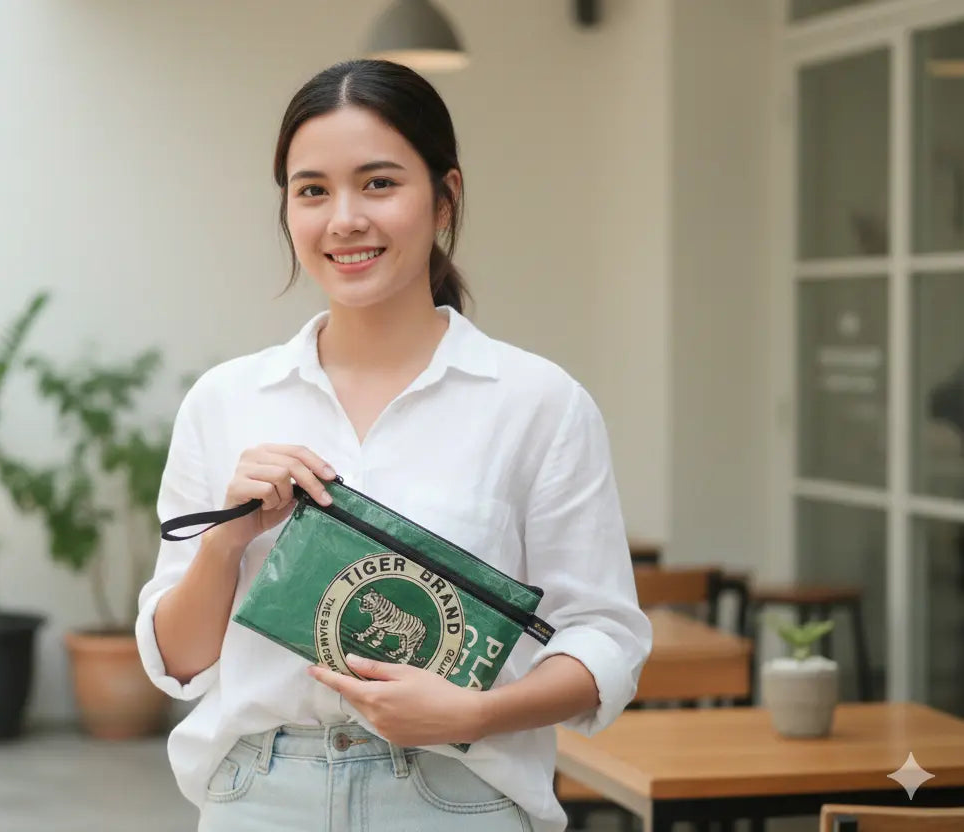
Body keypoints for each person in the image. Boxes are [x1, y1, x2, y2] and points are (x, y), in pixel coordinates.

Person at [135, 58, 652, 832]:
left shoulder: (538, 404)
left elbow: (606, 639)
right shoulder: (226, 402)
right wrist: (225, 540)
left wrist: (473, 712)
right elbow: (177, 663)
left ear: (445, 199)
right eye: (312, 190)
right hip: (258, 797)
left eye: (379, 183)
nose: (344, 218)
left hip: (457, 798)